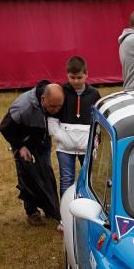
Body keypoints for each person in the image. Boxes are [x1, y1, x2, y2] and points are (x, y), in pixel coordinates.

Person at [0, 81, 64, 225]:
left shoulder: (54, 98)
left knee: (45, 173)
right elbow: (5, 128)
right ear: (42, 99)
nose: (56, 110)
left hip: (41, 139)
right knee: (27, 177)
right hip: (22, 142)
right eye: (53, 106)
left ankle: (49, 208)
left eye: (59, 106)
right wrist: (20, 146)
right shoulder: (23, 108)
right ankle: (32, 212)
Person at [48, 56, 101, 199]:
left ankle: (89, 212)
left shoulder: (94, 94)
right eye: (72, 77)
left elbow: (99, 121)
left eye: (79, 77)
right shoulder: (61, 91)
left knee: (90, 181)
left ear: (86, 75)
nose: (76, 81)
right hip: (64, 148)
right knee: (66, 180)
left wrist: (93, 142)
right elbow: (52, 117)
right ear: (67, 75)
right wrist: (61, 137)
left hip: (87, 148)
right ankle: (65, 218)